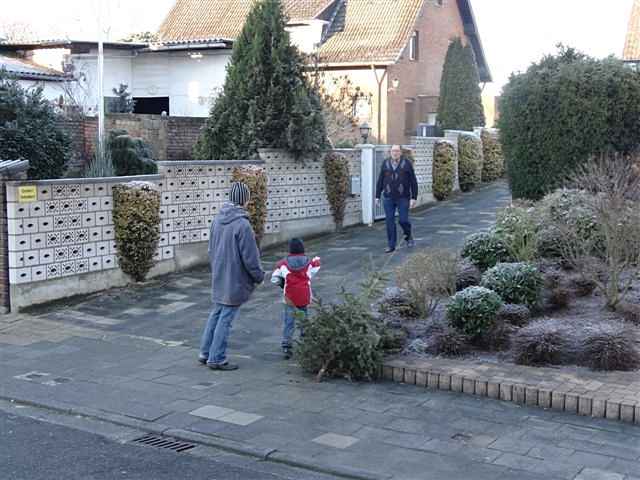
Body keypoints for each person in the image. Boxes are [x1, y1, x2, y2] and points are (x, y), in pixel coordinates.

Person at [199, 182, 265, 371]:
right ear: (245, 199)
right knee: (226, 318)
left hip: (219, 275)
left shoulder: (217, 220)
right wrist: (259, 276)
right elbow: (250, 258)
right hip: (235, 279)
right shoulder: (242, 225)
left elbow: (211, 249)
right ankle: (217, 358)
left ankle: (205, 352)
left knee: (217, 313)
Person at [270, 238, 321, 359]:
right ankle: (306, 341)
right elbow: (316, 267)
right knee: (303, 318)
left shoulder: (283, 264)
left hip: (290, 297)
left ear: (290, 249)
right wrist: (317, 259)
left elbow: (274, 279)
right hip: (304, 296)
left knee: (289, 321)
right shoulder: (308, 263)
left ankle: (287, 346)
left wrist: (282, 283)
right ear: (302, 248)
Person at [375, 144, 419, 253]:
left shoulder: (406, 164)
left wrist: (413, 197)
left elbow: (413, 181)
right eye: (393, 151)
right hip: (388, 198)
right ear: (390, 152)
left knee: (403, 220)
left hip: (403, 197)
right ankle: (391, 245)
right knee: (389, 221)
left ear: (401, 152)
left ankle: (408, 236)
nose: (395, 153)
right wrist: (377, 196)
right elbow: (380, 180)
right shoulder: (385, 163)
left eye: (397, 151)